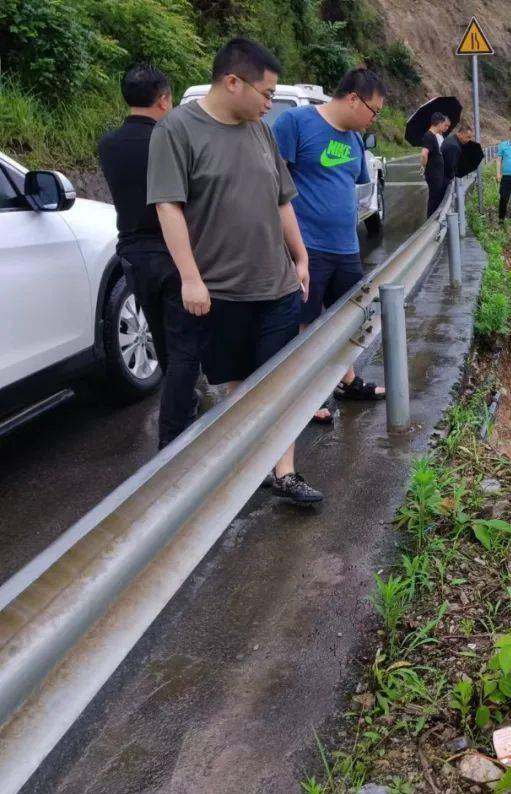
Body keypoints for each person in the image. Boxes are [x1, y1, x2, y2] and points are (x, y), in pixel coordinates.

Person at [147, 37, 322, 505]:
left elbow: (281, 199)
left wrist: (300, 257)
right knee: (240, 384)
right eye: (266, 94)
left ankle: (284, 473)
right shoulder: (177, 130)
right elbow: (168, 207)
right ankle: (251, 468)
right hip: (222, 291)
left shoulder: (261, 131)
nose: (270, 103)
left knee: (280, 381)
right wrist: (190, 277)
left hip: (278, 285)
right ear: (231, 82)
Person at [272, 67, 388, 424]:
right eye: (374, 112)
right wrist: (292, 249)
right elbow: (274, 185)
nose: (374, 120)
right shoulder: (296, 123)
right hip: (308, 247)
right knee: (304, 325)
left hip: (346, 246)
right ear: (354, 99)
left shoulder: (353, 140)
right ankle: (301, 398)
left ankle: (346, 382)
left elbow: (352, 184)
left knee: (347, 320)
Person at [99, 65, 204, 451]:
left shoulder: (108, 144)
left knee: (162, 339)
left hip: (132, 256)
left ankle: (184, 406)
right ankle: (174, 438)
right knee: (185, 350)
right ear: (163, 99)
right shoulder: (171, 139)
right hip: (173, 254)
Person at [420, 112, 451, 217]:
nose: (444, 126)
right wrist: (423, 167)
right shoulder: (428, 136)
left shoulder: (433, 136)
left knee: (437, 197)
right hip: (433, 174)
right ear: (439, 123)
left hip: (437, 173)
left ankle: (435, 218)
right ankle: (431, 222)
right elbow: (424, 154)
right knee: (434, 199)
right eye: (443, 124)